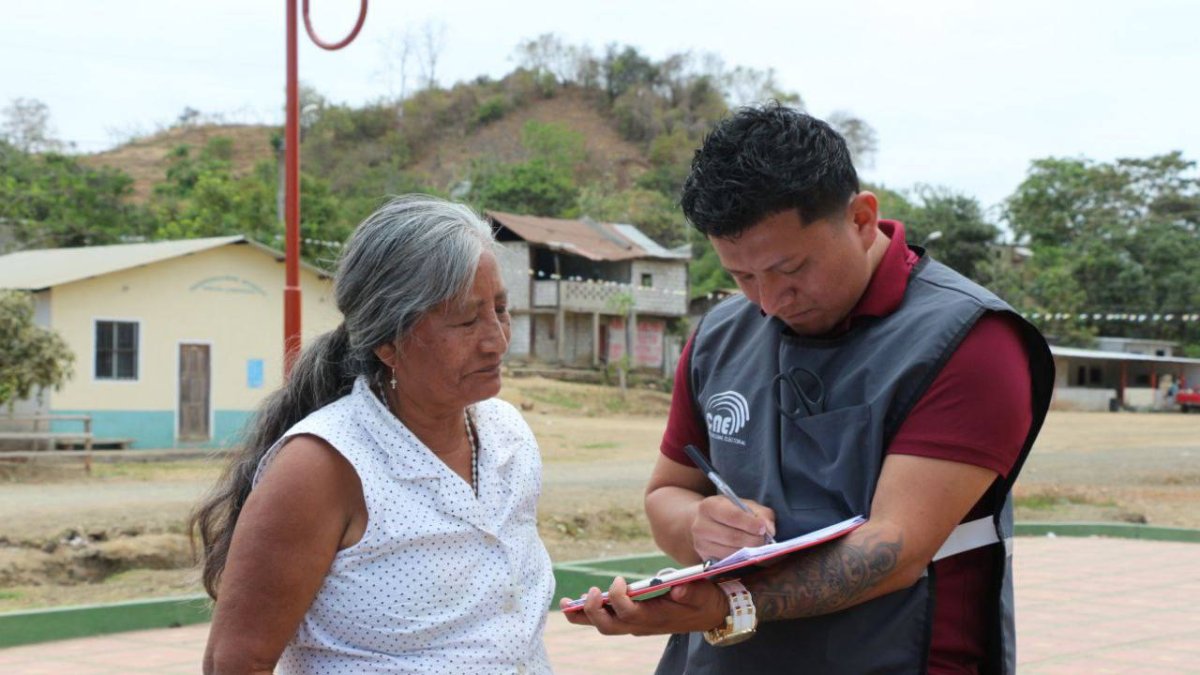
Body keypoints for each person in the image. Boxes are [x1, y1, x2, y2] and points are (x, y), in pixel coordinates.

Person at [563, 104, 1054, 674]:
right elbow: (667, 493)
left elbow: (897, 548)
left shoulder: (972, 341)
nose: (770, 302)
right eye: (741, 276)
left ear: (862, 219)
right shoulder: (722, 335)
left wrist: (730, 603)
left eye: (790, 268)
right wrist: (699, 524)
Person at [192, 196, 554, 674]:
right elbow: (235, 663)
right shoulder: (322, 466)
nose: (496, 339)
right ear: (388, 342)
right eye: (467, 320)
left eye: (501, 309)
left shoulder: (507, 435)